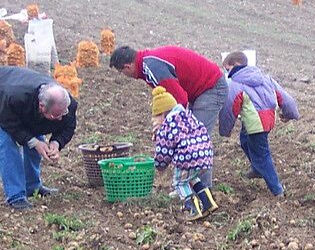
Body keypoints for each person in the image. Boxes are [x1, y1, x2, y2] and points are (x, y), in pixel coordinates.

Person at [109, 45, 228, 194]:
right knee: (187, 138)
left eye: (121, 72)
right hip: (198, 89)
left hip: (211, 87)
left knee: (196, 141)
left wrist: (167, 129)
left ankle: (203, 191)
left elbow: (179, 100)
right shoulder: (147, 63)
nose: (123, 75)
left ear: (127, 67)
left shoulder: (151, 67)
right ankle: (190, 186)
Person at [0, 66, 77, 210]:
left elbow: (68, 126)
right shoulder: (13, 96)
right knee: (7, 141)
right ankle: (15, 196)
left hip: (22, 99)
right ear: (41, 106)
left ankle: (32, 186)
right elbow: (8, 122)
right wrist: (34, 142)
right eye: (55, 116)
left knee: (36, 135)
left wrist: (56, 143)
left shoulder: (66, 104)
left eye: (63, 114)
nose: (60, 119)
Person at [218, 51, 299, 198]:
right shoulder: (265, 78)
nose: (226, 72)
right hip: (266, 119)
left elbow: (230, 108)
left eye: (227, 69)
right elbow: (285, 98)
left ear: (236, 65)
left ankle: (277, 190)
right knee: (244, 141)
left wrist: (225, 130)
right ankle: (256, 169)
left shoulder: (236, 84)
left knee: (262, 155)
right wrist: (290, 113)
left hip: (256, 123)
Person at [151, 85, 216, 221]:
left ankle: (192, 208)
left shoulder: (168, 125)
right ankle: (208, 202)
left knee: (180, 183)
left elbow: (164, 150)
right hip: (204, 154)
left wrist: (159, 165)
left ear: (162, 114)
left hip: (187, 157)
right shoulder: (188, 117)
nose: (154, 121)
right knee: (192, 178)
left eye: (155, 117)